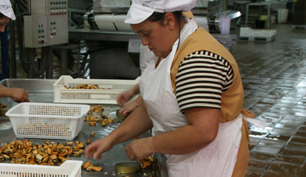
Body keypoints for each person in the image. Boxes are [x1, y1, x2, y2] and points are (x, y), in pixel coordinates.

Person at [85, 0, 258, 176]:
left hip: (212, 160)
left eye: (147, 34)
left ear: (169, 20)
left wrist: (150, 144)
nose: (144, 42)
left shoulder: (198, 59)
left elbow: (203, 132)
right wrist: (111, 139)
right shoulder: (172, 46)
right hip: (186, 155)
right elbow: (153, 107)